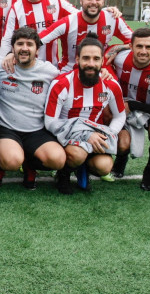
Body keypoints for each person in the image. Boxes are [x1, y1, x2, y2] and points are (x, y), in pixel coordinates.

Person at [0, 27, 65, 191]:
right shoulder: (0, 65)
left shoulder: (49, 72)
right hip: (7, 128)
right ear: (13, 48)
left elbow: (73, 78)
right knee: (12, 160)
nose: (24, 48)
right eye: (19, 44)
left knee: (58, 160)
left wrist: (104, 71)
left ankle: (29, 164)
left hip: (36, 130)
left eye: (29, 44)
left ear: (37, 50)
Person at [44, 34, 126, 194]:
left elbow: (120, 116)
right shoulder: (62, 84)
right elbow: (50, 122)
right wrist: (84, 135)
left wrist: (107, 134)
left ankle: (82, 168)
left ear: (103, 61)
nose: (91, 63)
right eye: (86, 58)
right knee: (77, 153)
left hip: (95, 137)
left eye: (96, 59)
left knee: (105, 166)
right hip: (65, 137)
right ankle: (64, 173)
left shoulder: (111, 85)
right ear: (77, 59)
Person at [107, 28, 150, 191]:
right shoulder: (120, 59)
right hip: (123, 106)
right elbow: (107, 51)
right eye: (139, 46)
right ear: (130, 46)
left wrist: (135, 105)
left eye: (148, 47)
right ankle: (121, 159)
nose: (143, 51)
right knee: (121, 142)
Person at [38, 0, 132, 73]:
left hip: (100, 71)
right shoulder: (68, 22)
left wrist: (115, 48)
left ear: (103, 1)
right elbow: (39, 40)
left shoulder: (113, 18)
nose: (94, 2)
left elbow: (135, 41)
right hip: (69, 72)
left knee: (113, 86)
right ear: (81, 0)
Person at [0, 0, 76, 66]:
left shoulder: (56, 1)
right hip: (25, 70)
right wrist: (4, 59)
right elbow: (7, 40)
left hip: (52, 69)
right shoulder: (16, 8)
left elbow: (79, 17)